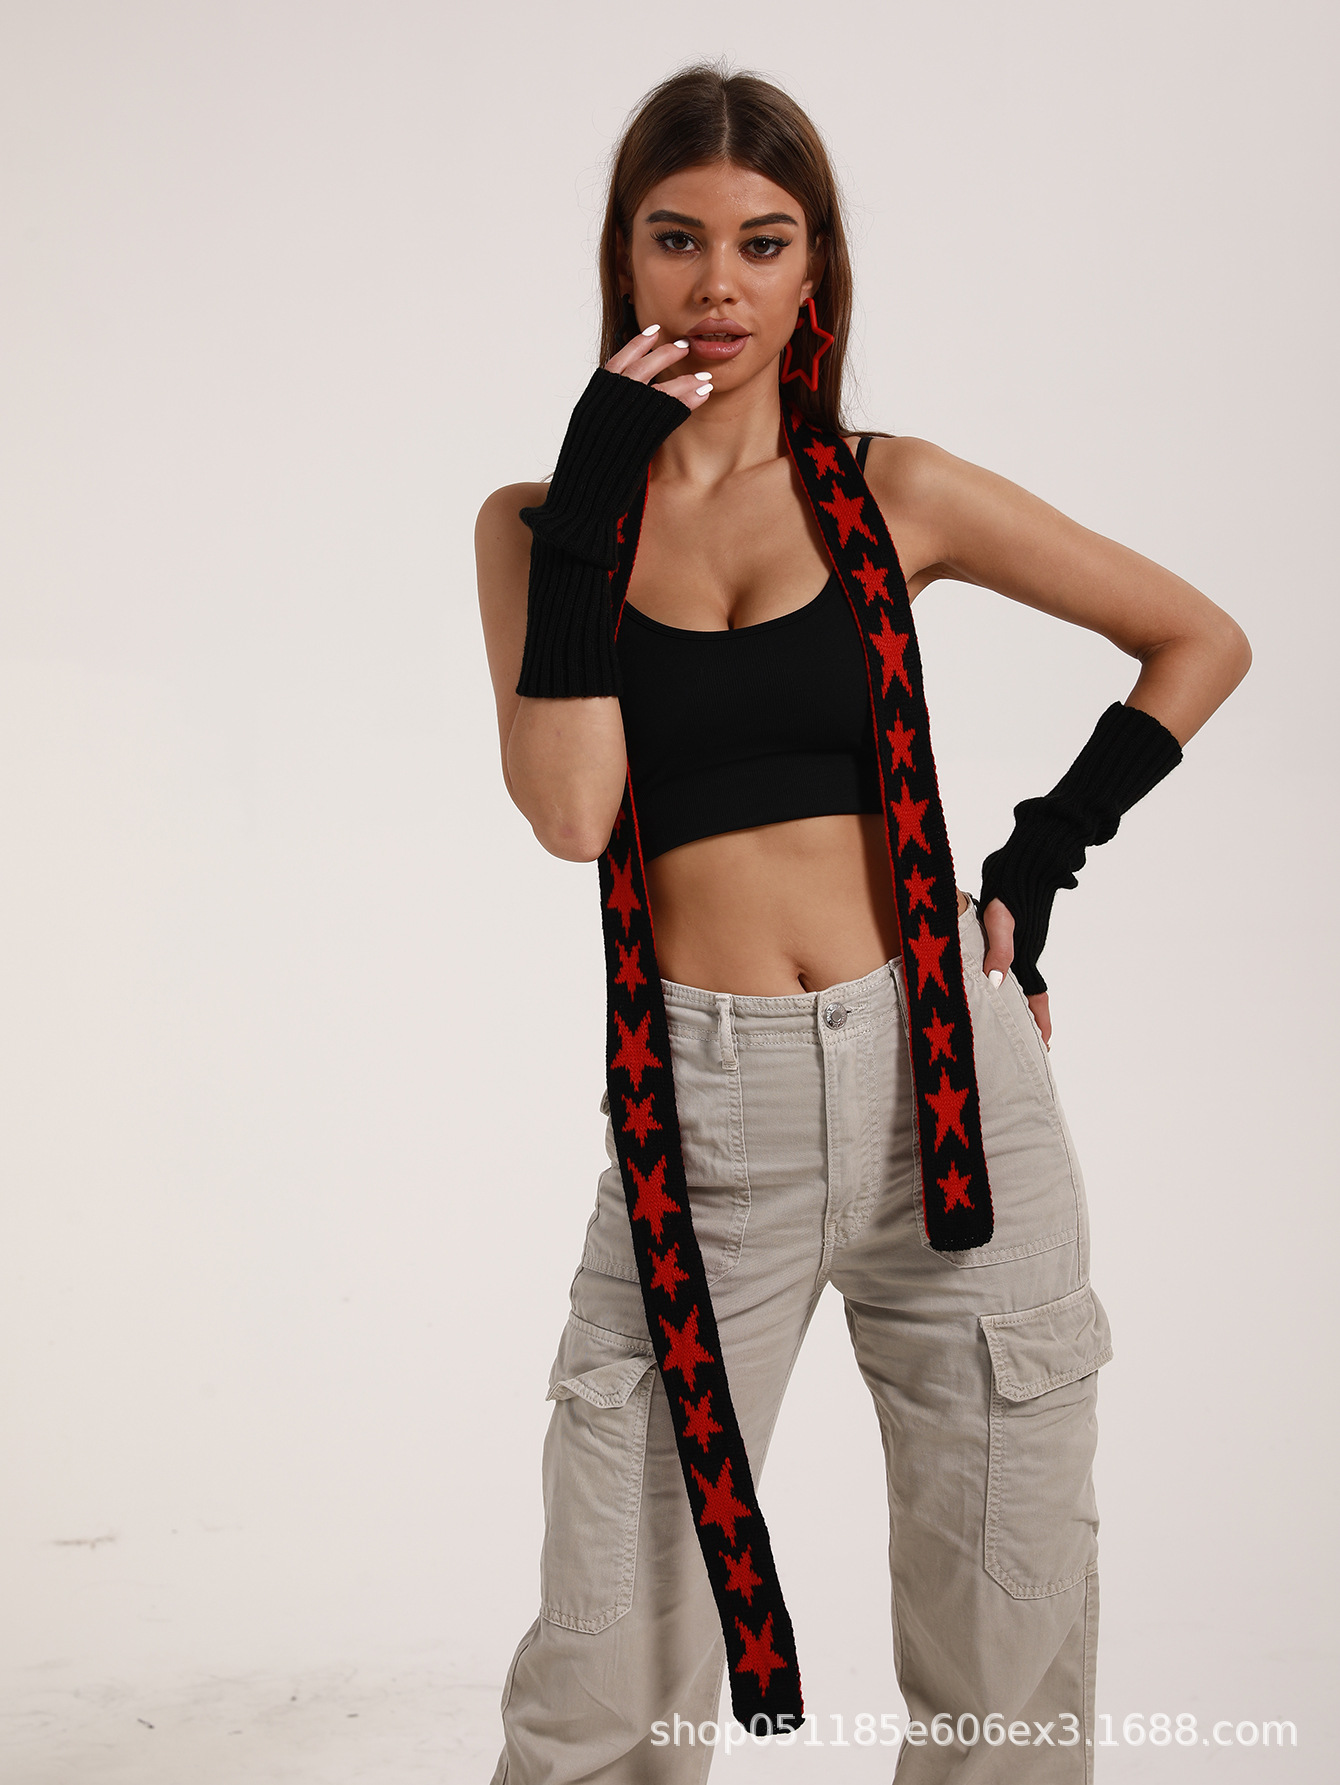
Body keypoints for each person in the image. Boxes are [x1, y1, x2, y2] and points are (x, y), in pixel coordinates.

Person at [474, 63, 1249, 1785]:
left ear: (815, 263)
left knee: (1006, 1653)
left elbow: (1197, 638)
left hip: (950, 1089)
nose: (719, 285)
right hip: (703, 1111)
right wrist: (597, 499)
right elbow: (573, 813)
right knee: (607, 1665)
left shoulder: (898, 490)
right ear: (622, 257)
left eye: (763, 242)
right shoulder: (536, 530)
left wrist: (1036, 868)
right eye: (678, 239)